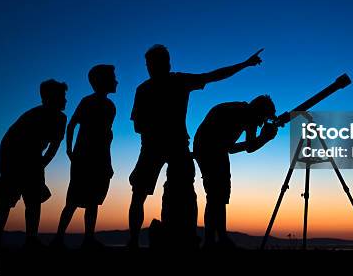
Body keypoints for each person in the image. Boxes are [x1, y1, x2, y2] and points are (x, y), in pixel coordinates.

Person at [128, 45, 264, 248]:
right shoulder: (154, 87)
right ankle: (134, 241)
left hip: (171, 147)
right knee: (142, 193)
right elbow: (138, 125)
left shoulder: (171, 82)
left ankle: (177, 238)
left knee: (173, 194)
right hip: (160, 147)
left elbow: (214, 76)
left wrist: (244, 64)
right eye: (149, 65)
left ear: (166, 64)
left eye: (153, 64)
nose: (150, 68)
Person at [0, 79, 68, 250]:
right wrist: (35, 166)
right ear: (49, 98)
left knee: (33, 199)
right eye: (62, 96)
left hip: (32, 156)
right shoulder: (33, 116)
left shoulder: (61, 119)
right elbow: (11, 142)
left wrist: (40, 166)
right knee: (6, 198)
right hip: (13, 154)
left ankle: (31, 239)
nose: (65, 100)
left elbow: (53, 148)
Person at [193, 95, 278, 248]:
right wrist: (266, 138)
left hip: (209, 149)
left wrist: (263, 137)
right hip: (211, 150)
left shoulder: (240, 111)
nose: (260, 124)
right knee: (216, 196)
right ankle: (212, 241)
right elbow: (251, 147)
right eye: (263, 119)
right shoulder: (248, 115)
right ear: (259, 111)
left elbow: (232, 148)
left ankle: (218, 239)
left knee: (218, 196)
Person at [52, 65, 117, 249]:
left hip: (97, 159)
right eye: (113, 78)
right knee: (73, 200)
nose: (116, 81)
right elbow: (72, 125)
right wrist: (69, 149)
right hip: (85, 158)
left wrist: (108, 163)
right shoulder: (88, 102)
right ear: (102, 81)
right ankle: (59, 238)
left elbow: (105, 139)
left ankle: (87, 238)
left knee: (93, 201)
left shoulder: (110, 106)